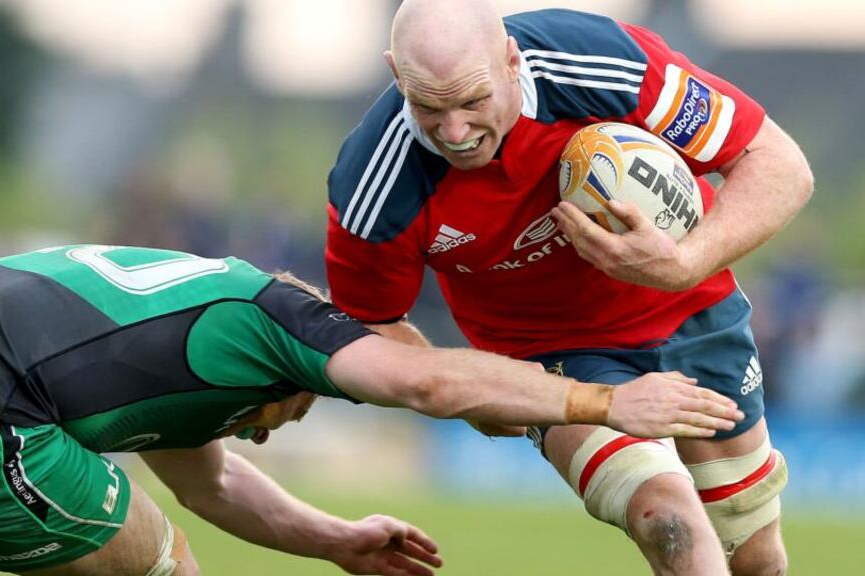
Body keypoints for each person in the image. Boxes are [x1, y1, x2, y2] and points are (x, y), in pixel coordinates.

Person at [0, 244, 741, 576]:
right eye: (284, 418)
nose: (265, 430)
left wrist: (337, 540)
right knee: (161, 567)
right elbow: (426, 382)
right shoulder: (284, 322)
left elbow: (214, 484)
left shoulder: (187, 337)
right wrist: (601, 398)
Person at [325, 2, 813, 575]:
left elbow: (778, 164)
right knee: (667, 517)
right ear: (395, 72)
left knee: (754, 553)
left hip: (690, 308)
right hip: (549, 357)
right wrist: (471, 391)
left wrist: (684, 263)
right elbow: (370, 332)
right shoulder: (373, 184)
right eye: (429, 107)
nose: (455, 133)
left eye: (474, 101)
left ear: (511, 61)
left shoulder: (603, 63)